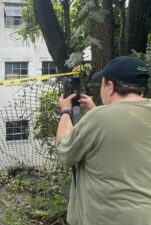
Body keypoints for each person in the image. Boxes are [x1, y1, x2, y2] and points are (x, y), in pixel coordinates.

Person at [55, 56, 151, 225]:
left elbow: (65, 151)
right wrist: (96, 111)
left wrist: (65, 111)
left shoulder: (98, 118)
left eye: (102, 83)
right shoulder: (100, 116)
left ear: (110, 86)